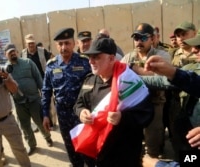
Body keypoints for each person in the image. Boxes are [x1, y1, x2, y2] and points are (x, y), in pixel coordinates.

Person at [74, 37, 153, 166]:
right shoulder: (89, 80)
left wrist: (122, 118)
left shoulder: (129, 81)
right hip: (99, 149)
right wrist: (81, 112)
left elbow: (147, 114)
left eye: (96, 57)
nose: (91, 61)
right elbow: (79, 103)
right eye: (89, 57)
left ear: (111, 58)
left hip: (125, 152)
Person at [142, 34, 200, 167]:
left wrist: (158, 165)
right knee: (188, 160)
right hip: (190, 135)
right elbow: (194, 83)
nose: (194, 50)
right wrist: (172, 72)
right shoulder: (192, 68)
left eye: (199, 47)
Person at [41, 27, 94, 167]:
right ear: (56, 46)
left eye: (67, 43)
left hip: (82, 112)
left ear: (74, 43)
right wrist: (46, 114)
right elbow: (46, 91)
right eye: (60, 44)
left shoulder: (84, 62)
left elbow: (94, 86)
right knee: (71, 148)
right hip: (63, 114)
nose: (64, 47)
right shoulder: (51, 66)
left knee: (87, 147)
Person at [121, 23, 171, 158]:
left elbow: (162, 80)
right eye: (136, 38)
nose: (138, 42)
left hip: (154, 103)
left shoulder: (161, 55)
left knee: (153, 141)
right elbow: (120, 78)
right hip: (134, 105)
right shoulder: (129, 57)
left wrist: (135, 70)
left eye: (143, 38)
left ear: (152, 39)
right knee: (134, 141)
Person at [4, 43, 53, 156]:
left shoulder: (28, 62)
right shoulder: (5, 69)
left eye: (14, 51)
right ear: (5, 54)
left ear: (17, 51)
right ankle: (32, 145)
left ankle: (48, 137)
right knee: (25, 126)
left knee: (40, 122)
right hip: (19, 103)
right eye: (9, 52)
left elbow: (38, 78)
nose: (12, 54)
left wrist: (44, 95)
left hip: (34, 100)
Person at [21, 34, 57, 130]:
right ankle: (39, 124)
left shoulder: (42, 51)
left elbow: (53, 59)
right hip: (31, 83)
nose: (31, 45)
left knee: (48, 102)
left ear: (35, 43)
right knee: (35, 105)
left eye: (32, 43)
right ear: (26, 44)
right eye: (29, 44)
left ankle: (51, 123)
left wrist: (52, 72)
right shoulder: (23, 54)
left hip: (44, 81)